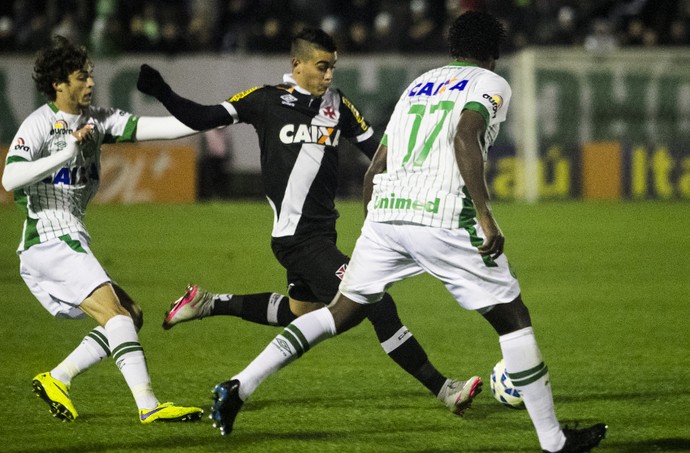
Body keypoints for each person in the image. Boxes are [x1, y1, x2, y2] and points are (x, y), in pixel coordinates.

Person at [201, 11, 609, 452]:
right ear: (493, 54)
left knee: (339, 312)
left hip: (387, 215)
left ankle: (239, 386)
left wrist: (373, 227)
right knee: (512, 318)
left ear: (453, 47)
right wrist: (485, 215)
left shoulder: (421, 82)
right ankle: (553, 442)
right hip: (443, 216)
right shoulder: (491, 84)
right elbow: (464, 138)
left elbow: (378, 162)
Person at [136, 27, 480, 418]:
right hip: (297, 239)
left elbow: (380, 150)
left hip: (321, 234)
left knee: (301, 312)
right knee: (377, 304)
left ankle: (208, 303)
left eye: (333, 67)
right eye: (321, 67)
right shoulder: (265, 100)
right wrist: (162, 91)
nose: (329, 76)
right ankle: (444, 389)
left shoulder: (338, 104)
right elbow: (204, 116)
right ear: (296, 65)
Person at [1, 35, 204, 424]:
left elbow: (162, 129)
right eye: (82, 77)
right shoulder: (39, 124)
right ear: (59, 84)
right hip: (48, 236)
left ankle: (57, 378)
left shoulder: (99, 120)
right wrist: (63, 153)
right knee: (117, 316)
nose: (91, 83)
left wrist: (223, 114)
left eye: (91, 75)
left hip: (70, 235)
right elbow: (10, 178)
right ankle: (149, 405)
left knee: (131, 313)